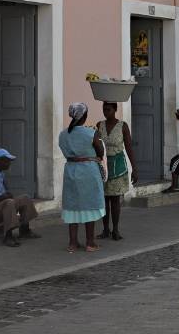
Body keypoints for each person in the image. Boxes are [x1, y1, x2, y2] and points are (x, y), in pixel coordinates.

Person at [59, 102, 105, 253]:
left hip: (71, 170)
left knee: (72, 206)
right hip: (88, 171)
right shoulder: (91, 133)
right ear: (85, 116)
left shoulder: (63, 134)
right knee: (89, 205)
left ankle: (72, 243)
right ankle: (90, 242)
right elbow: (100, 152)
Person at [0, 148, 40, 247]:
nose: (9, 163)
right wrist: (7, 196)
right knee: (8, 203)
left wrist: (8, 196)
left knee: (25, 198)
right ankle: (8, 237)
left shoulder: (0, 174)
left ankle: (25, 230)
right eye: (6, 161)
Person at [96, 102, 138, 241]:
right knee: (104, 200)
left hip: (118, 166)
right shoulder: (99, 125)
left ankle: (115, 229)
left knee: (114, 200)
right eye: (104, 109)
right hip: (103, 166)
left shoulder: (123, 126)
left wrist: (134, 168)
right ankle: (105, 229)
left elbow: (129, 147)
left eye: (108, 109)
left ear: (115, 109)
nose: (105, 112)